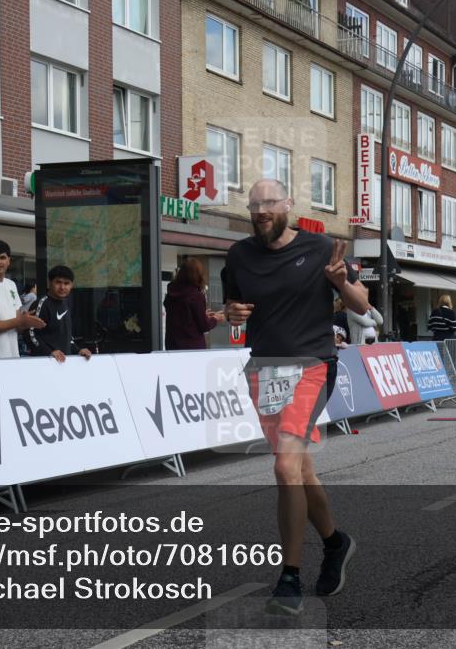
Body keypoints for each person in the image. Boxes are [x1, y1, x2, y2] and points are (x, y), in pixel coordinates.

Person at [224, 178, 368, 615]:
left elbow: (361, 305)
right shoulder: (239, 256)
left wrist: (341, 283)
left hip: (311, 365)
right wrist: (231, 314)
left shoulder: (322, 248)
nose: (261, 210)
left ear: (289, 203)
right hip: (264, 370)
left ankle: (289, 578)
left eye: (269, 202)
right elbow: (234, 310)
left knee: (285, 464)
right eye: (254, 205)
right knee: (299, 470)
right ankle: (334, 542)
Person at [0, 240, 46, 360]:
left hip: (11, 358)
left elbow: (17, 326)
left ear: (9, 261)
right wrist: (19, 321)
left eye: (2, 257)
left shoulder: (11, 285)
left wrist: (27, 322)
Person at [28, 265, 92, 362]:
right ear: (49, 283)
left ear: (72, 285)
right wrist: (49, 352)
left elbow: (66, 337)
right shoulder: (41, 304)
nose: (62, 287)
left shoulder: (65, 304)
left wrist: (78, 350)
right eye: (58, 282)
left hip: (63, 363)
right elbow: (29, 334)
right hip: (45, 364)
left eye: (66, 283)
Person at [164, 258, 225, 350]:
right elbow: (204, 326)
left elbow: (182, 317)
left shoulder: (171, 294)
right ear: (199, 275)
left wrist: (203, 315)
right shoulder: (196, 296)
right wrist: (215, 319)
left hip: (172, 345)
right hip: (192, 347)